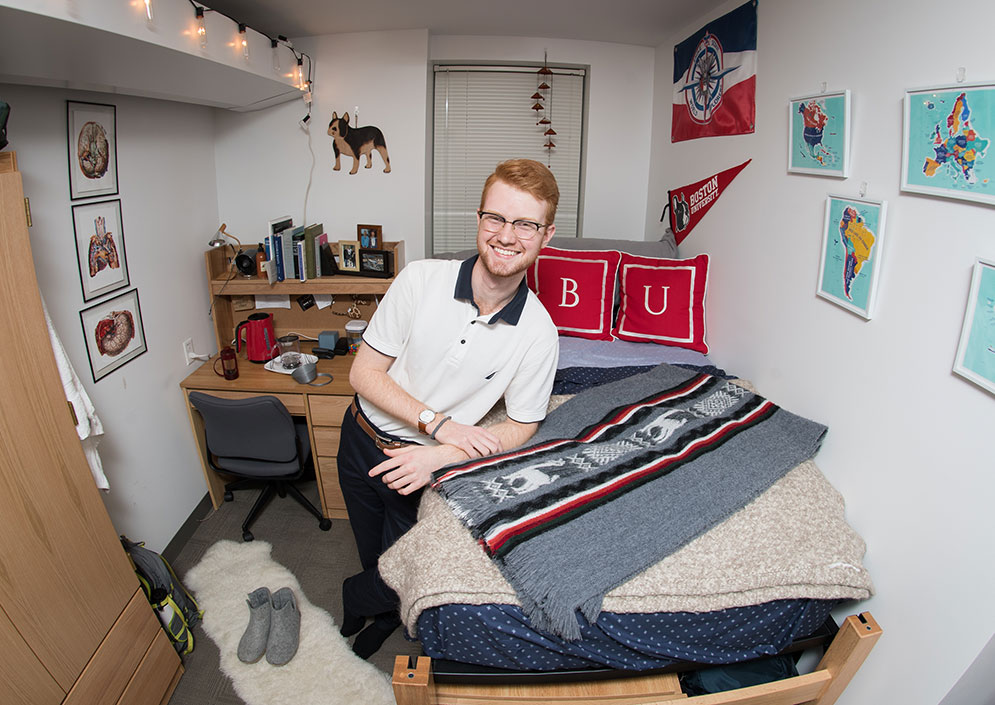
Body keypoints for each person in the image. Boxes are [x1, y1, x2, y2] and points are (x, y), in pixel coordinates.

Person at [337, 158, 561, 658]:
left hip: (419, 465)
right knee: (367, 544)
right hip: (358, 439)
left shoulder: (540, 334)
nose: (506, 235)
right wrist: (439, 425)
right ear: (479, 220)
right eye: (496, 218)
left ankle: (360, 602)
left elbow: (525, 422)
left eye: (525, 224)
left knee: (402, 567)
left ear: (546, 234)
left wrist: (440, 454)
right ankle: (368, 607)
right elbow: (362, 374)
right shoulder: (420, 279)